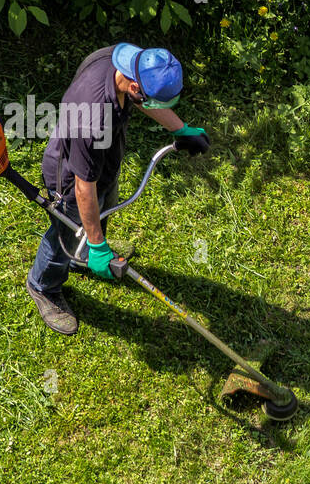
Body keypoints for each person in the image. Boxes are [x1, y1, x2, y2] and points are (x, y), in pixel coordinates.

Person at [26, 43, 210, 334]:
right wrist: (99, 246)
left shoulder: (130, 61)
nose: (152, 108)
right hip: (72, 177)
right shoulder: (91, 114)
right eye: (152, 101)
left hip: (102, 160)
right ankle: (43, 285)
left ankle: (82, 256)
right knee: (68, 230)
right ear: (136, 86)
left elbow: (140, 100)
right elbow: (84, 189)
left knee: (102, 207)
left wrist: (180, 129)